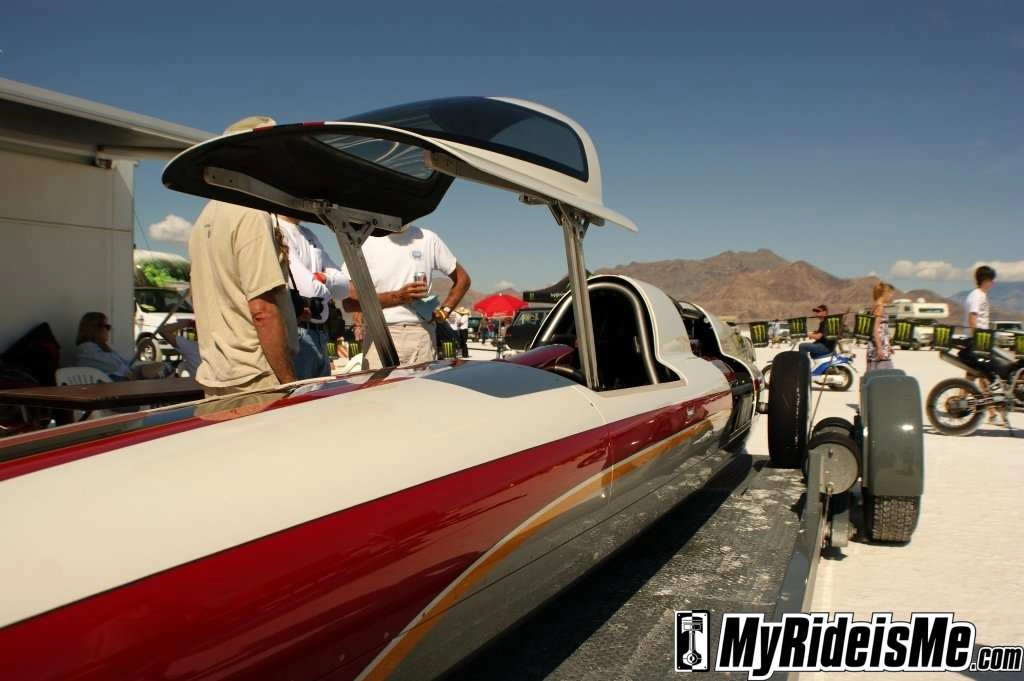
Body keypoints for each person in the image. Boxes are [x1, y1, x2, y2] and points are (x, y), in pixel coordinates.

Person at [187, 116, 298, 397]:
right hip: (256, 376)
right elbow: (262, 310)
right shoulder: (250, 212)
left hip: (217, 375)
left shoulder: (204, 218)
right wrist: (288, 382)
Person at [342, 225, 471, 368]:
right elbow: (349, 302)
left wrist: (444, 311)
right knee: (380, 384)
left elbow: (463, 279)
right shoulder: (365, 241)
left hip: (421, 335)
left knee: (421, 384)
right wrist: (397, 297)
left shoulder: (428, 239)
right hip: (379, 335)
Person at [276, 214, 349, 379]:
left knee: (321, 394)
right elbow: (309, 291)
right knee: (302, 393)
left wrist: (324, 279)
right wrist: (329, 285)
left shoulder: (309, 234)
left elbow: (345, 287)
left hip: (321, 335)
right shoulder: (277, 229)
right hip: (298, 334)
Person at [962, 265, 1001, 424]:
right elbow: (973, 319)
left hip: (980, 340)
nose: (993, 283)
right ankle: (991, 412)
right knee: (983, 375)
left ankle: (961, 403)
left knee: (974, 377)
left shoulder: (981, 296)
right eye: (991, 280)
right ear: (985, 280)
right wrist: (978, 341)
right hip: (976, 341)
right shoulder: (976, 295)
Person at [73, 312, 135, 381]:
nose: (108, 331)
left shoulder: (100, 348)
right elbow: (116, 366)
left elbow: (125, 364)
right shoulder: (87, 350)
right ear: (95, 329)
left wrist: (139, 352)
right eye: (107, 327)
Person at [866, 282, 895, 372]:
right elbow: (875, 329)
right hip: (878, 346)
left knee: (875, 371)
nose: (891, 297)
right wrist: (879, 348)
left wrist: (888, 345)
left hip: (879, 345)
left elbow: (883, 329)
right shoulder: (880, 307)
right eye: (890, 294)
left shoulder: (875, 306)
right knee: (884, 373)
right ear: (885, 293)